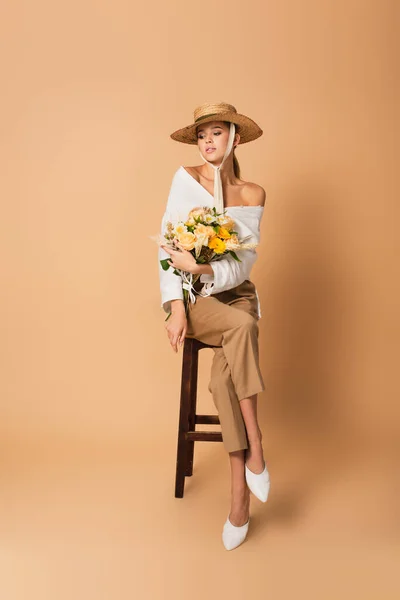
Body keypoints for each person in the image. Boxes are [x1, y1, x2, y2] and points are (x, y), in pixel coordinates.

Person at [158, 102, 270, 550]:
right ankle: (257, 447)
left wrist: (203, 267)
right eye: (201, 134)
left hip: (233, 294)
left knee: (225, 377)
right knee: (242, 328)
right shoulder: (184, 179)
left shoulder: (252, 194)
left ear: (235, 139)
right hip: (196, 300)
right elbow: (166, 246)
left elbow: (241, 266)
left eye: (216, 133)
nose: (207, 141)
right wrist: (175, 306)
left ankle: (239, 495)